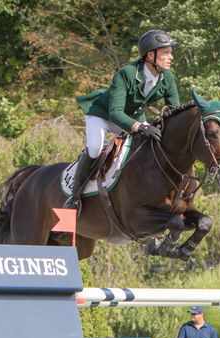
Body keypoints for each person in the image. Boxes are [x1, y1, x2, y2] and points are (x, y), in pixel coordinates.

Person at [68, 29, 181, 208]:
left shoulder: (167, 78)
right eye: (166, 53)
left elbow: (175, 111)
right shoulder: (126, 74)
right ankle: (74, 195)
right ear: (151, 55)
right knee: (96, 148)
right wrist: (142, 128)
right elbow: (115, 113)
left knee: (149, 148)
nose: (171, 57)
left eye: (170, 52)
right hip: (103, 115)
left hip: (132, 118)